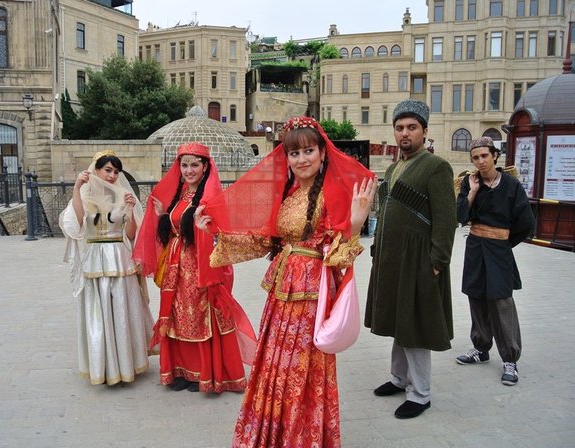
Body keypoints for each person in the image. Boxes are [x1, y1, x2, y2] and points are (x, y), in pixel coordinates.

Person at [196, 116, 376, 447]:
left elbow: (338, 255)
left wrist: (354, 221)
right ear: (286, 158)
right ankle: (273, 433)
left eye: (308, 150)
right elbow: (266, 241)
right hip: (281, 294)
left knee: (301, 369)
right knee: (275, 366)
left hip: (310, 294)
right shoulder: (289, 194)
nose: (302, 159)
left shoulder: (332, 193)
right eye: (294, 153)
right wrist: (216, 228)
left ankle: (300, 436)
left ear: (322, 153)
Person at [132, 142, 256, 393]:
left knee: (199, 316)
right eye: (184, 165)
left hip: (199, 266)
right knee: (178, 316)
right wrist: (163, 216)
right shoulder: (181, 195)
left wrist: (204, 231)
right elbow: (177, 229)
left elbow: (219, 235)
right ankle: (181, 370)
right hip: (177, 268)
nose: (189, 170)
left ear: (205, 167)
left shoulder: (209, 198)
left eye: (194, 165)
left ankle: (205, 373)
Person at [365, 99, 457, 419]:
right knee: (398, 321)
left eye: (411, 128)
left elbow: (446, 220)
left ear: (424, 131)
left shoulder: (436, 167)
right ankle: (398, 378)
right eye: (400, 127)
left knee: (415, 326)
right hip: (392, 260)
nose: (405, 133)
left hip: (420, 261)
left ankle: (420, 394)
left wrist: (436, 261)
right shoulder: (393, 167)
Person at [59, 150, 154, 385]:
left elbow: (131, 235)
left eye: (115, 171)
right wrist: (76, 189)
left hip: (119, 256)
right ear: (96, 170)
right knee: (97, 311)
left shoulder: (123, 196)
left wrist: (131, 212)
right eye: (107, 170)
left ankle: (126, 364)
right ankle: (103, 366)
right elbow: (78, 225)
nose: (112, 175)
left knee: (122, 308)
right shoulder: (85, 194)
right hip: (94, 257)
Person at [455, 136, 535, 386]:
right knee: (476, 296)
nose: (480, 161)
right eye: (476, 157)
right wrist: (472, 193)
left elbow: (526, 222)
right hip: (475, 246)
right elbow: (459, 217)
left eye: (484, 156)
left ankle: (510, 358)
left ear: (494, 156)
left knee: (501, 301)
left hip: (499, 249)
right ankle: (481, 348)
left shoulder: (511, 185)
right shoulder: (470, 183)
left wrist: (504, 242)